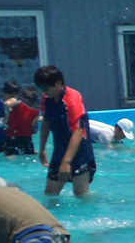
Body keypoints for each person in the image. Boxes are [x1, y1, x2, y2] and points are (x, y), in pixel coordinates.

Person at [33, 66, 96, 198]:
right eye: (41, 89)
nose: (43, 93)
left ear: (58, 84)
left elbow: (78, 132)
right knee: (50, 194)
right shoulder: (47, 99)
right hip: (59, 151)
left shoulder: (73, 99)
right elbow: (46, 121)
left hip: (80, 154)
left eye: (45, 89)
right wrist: (42, 147)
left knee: (81, 195)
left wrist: (66, 162)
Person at [0, 87, 39, 157]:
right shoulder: (18, 103)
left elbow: (34, 125)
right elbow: (7, 103)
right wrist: (11, 107)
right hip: (13, 136)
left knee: (27, 156)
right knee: (13, 156)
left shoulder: (35, 110)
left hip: (24, 137)